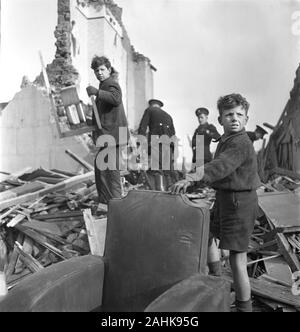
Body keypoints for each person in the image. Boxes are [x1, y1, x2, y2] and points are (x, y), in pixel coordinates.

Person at [172, 93, 261, 312]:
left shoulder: (240, 142)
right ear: (219, 120)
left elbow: (220, 166)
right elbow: (219, 171)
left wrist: (192, 177)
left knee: (237, 260)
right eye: (229, 114)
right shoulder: (226, 140)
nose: (234, 118)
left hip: (241, 202)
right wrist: (191, 182)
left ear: (246, 119)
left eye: (240, 114)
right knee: (207, 233)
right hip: (225, 198)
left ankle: (243, 307)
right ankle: (215, 279)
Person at [86, 56, 129, 204]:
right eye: (96, 70)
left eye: (102, 69)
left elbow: (116, 98)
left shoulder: (111, 83)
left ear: (109, 70)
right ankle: (105, 202)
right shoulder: (104, 85)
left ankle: (116, 204)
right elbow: (102, 115)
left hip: (112, 135)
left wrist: (97, 92)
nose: (99, 73)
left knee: (111, 172)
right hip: (107, 135)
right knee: (101, 170)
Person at [138, 99, 177, 190]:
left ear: (150, 105)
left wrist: (139, 144)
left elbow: (143, 127)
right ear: (159, 106)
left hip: (156, 143)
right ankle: (170, 194)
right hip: (168, 146)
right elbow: (173, 134)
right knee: (167, 171)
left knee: (157, 169)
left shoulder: (149, 110)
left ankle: (160, 193)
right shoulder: (168, 116)